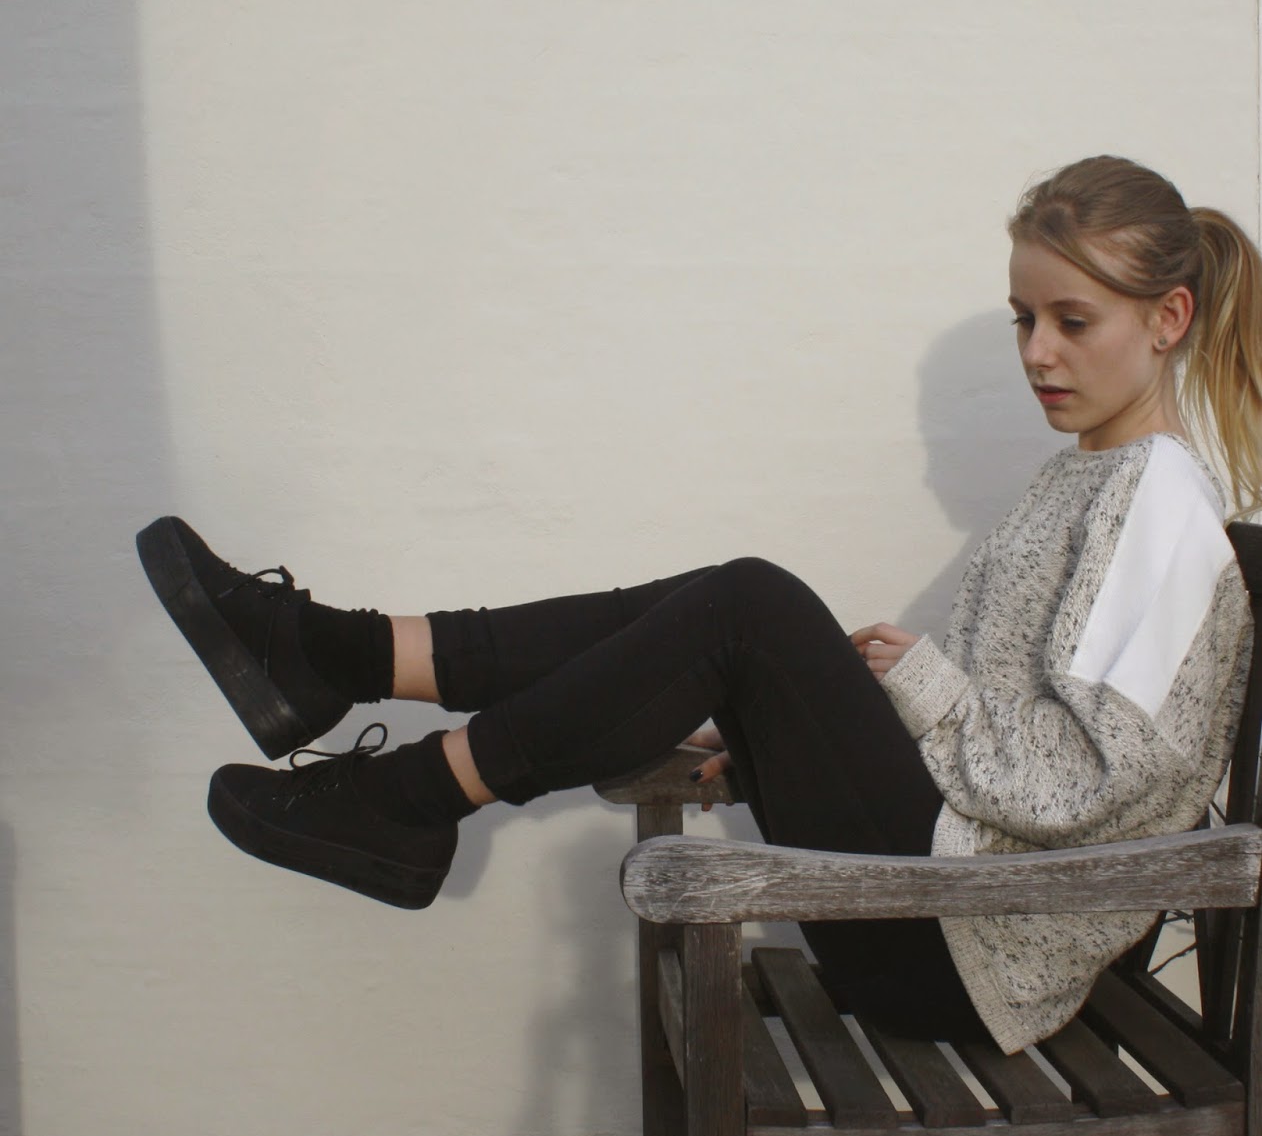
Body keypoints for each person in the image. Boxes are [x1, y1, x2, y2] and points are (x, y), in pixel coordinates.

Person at [137, 155, 1262, 1056]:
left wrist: (922, 687)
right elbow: (1015, 740)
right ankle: (342, 663)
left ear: (1167, 318)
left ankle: (396, 775)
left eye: (1072, 321)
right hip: (944, 906)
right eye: (1022, 318)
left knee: (749, 607)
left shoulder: (1160, 506)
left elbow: (1090, 783)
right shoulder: (1088, 479)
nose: (1037, 352)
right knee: (725, 611)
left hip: (968, 952)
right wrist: (809, 724)